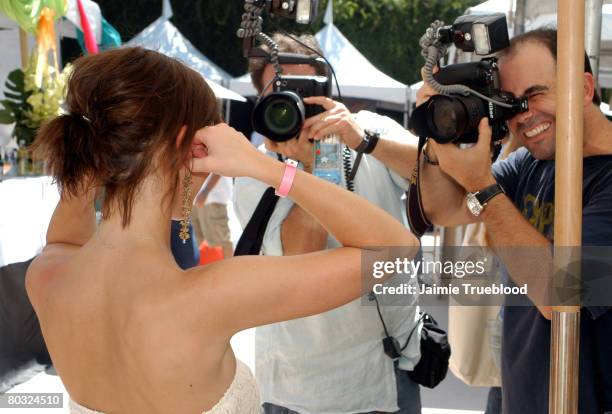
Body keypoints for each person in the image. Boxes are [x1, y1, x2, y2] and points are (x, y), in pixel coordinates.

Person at [24, 47, 419, 414]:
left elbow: (63, 238)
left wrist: (87, 161)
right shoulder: (212, 296)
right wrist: (264, 166)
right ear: (186, 142)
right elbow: (396, 248)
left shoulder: (47, 276)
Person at [416, 29, 612, 413]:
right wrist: (443, 141)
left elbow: (561, 295)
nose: (524, 115)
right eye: (510, 102)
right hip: (518, 395)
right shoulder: (535, 162)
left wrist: (481, 185)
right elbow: (446, 208)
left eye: (536, 94)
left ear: (585, 89)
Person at [234, 33, 424, 414]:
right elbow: (301, 259)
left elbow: (437, 179)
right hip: (299, 385)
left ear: (327, 87)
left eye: (306, 91)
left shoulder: (367, 129)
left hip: (386, 366)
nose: (298, 107)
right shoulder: (256, 170)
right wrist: (311, 168)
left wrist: (364, 140)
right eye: (282, 93)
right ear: (264, 99)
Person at [191, 174, 234, 259]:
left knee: (220, 242)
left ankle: (230, 271)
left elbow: (221, 166)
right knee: (196, 243)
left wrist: (206, 191)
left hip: (212, 197)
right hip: (193, 199)